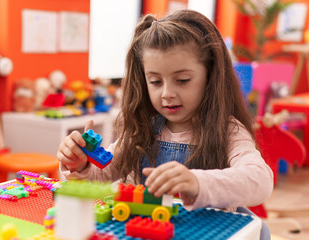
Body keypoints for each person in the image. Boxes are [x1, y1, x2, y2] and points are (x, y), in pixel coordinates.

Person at [57, 9, 273, 239]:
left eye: (182, 80)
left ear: (210, 77)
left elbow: (260, 180)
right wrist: (80, 165)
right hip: (148, 232)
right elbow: (101, 177)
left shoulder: (228, 131)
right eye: (156, 81)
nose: (167, 94)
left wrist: (198, 183)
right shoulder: (142, 129)